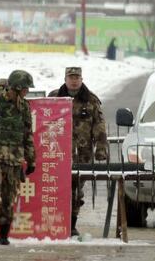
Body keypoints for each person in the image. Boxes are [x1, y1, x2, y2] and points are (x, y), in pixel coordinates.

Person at [48, 66, 108, 236]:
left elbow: (99, 125)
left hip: (82, 153)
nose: (74, 80)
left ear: (81, 79)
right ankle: (56, 222)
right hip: (57, 152)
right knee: (57, 188)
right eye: (70, 77)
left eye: (77, 77)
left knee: (76, 190)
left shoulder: (91, 100)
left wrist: (101, 149)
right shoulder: (54, 98)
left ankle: (71, 224)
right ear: (65, 79)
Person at [0, 70, 36, 245]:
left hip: (15, 160)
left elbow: (27, 134)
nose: (27, 91)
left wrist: (31, 159)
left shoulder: (24, 106)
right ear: (17, 87)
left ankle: (4, 236)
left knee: (9, 199)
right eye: (25, 88)